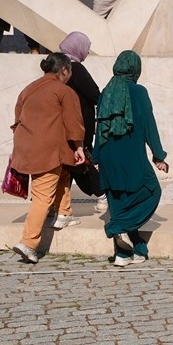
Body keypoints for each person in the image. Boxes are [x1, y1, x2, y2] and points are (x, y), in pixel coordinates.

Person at [9, 53, 86, 263]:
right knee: (42, 196)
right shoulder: (64, 91)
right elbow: (74, 123)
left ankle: (64, 213)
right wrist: (79, 147)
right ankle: (28, 243)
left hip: (27, 148)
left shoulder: (29, 88)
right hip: (48, 150)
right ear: (64, 70)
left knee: (63, 173)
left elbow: (17, 119)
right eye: (70, 70)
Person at [94, 51, 168, 267]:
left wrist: (97, 155)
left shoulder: (106, 91)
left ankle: (125, 255)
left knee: (119, 201)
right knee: (152, 191)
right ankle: (116, 228)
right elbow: (148, 125)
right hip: (131, 155)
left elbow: (100, 126)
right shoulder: (138, 91)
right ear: (135, 68)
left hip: (108, 154)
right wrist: (158, 155)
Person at [58, 32, 107, 214]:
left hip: (61, 125)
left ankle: (56, 206)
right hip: (79, 125)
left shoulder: (57, 66)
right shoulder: (75, 68)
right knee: (85, 160)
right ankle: (102, 196)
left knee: (67, 164)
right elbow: (95, 93)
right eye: (85, 47)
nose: (86, 52)